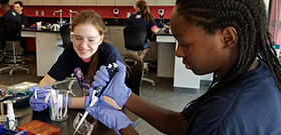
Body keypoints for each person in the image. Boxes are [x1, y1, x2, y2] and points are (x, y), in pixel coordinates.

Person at [85, 0, 281, 134]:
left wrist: (124, 126)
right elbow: (183, 125)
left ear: (227, 38)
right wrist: (125, 96)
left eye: (184, 43)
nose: (177, 52)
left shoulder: (223, 119)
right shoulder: (257, 72)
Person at [28, 10, 127, 111]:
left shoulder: (109, 53)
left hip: (115, 115)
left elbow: (116, 103)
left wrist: (65, 101)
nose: (83, 46)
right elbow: (46, 81)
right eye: (78, 38)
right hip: (92, 111)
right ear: (72, 37)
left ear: (100, 39)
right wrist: (40, 94)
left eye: (91, 39)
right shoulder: (71, 51)